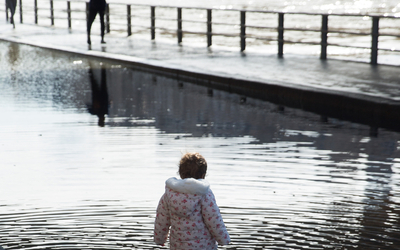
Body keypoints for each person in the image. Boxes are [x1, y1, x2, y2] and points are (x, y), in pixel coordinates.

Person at [154, 152, 230, 249]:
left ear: (180, 173)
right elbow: (214, 219)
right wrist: (223, 239)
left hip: (178, 246)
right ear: (203, 175)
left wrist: (159, 239)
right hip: (203, 246)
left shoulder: (169, 194)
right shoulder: (204, 194)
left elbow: (161, 220)